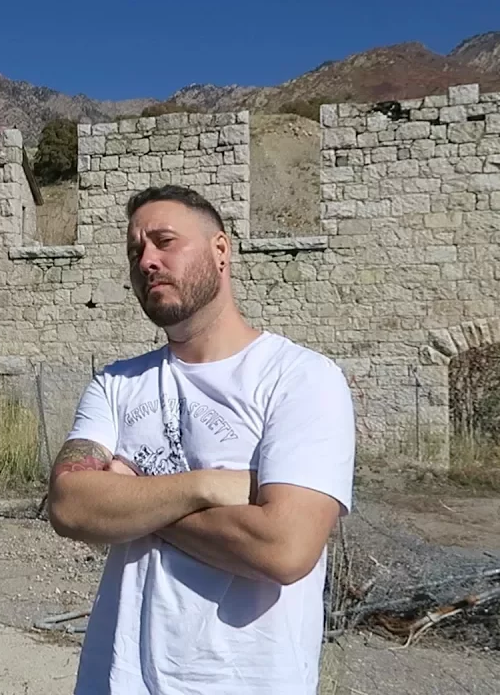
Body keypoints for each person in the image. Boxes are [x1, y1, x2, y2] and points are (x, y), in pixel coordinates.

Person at [47, 185, 356, 694]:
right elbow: (69, 505)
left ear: (220, 250)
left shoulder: (301, 379)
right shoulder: (116, 383)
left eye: (165, 241)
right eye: (135, 250)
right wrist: (207, 486)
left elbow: (284, 548)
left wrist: (130, 500)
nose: (147, 261)